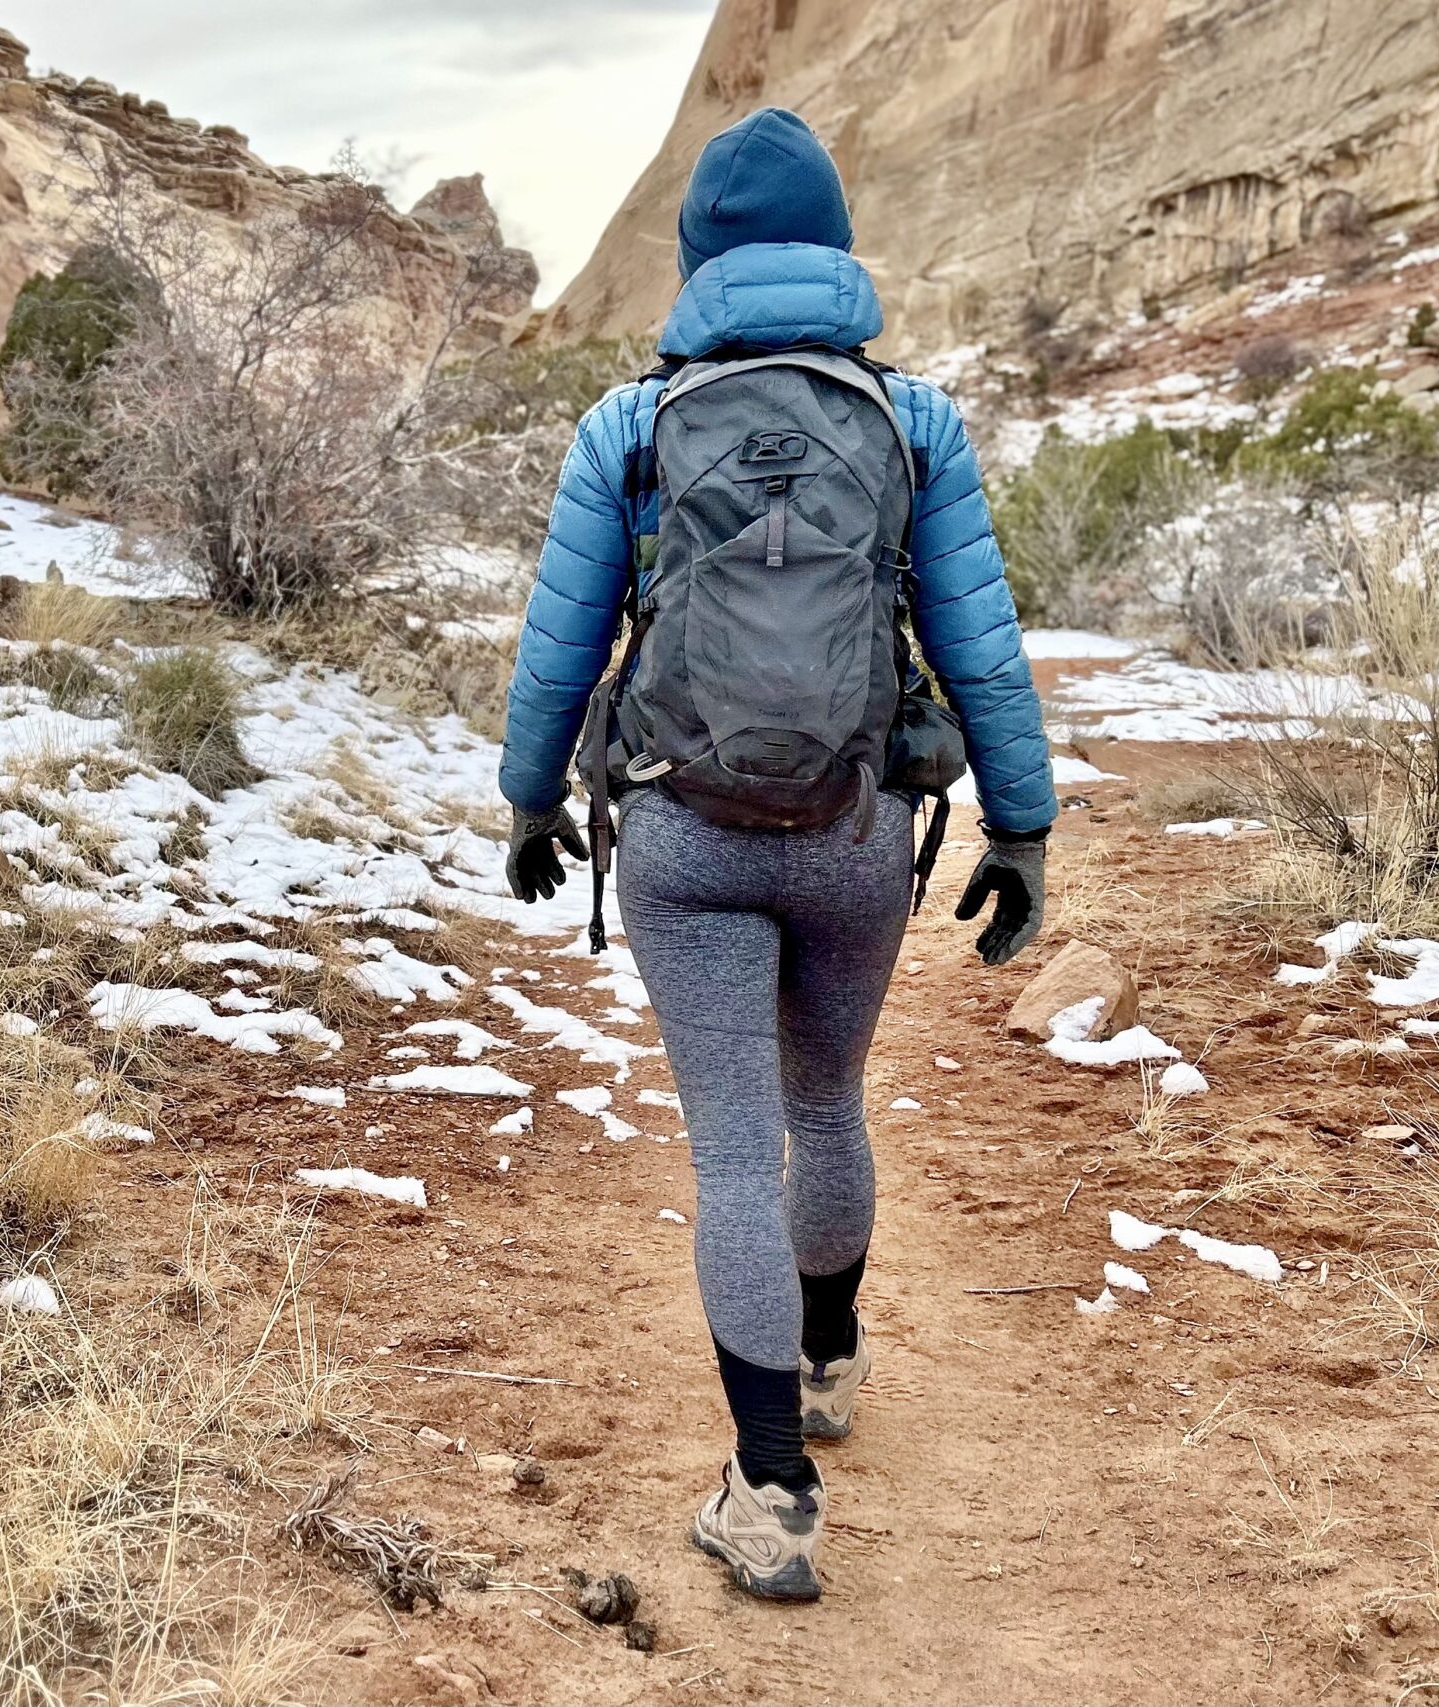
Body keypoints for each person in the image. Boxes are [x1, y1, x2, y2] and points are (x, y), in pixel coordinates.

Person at [495, 107, 1054, 1602]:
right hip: (857, 830)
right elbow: (979, 651)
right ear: (834, 249)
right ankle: (827, 1367)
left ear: (697, 261)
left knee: (735, 1149)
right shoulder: (912, 421)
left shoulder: (628, 426)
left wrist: (531, 799)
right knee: (828, 1105)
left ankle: (772, 1493)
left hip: (682, 836)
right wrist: (1025, 826)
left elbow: (559, 652)